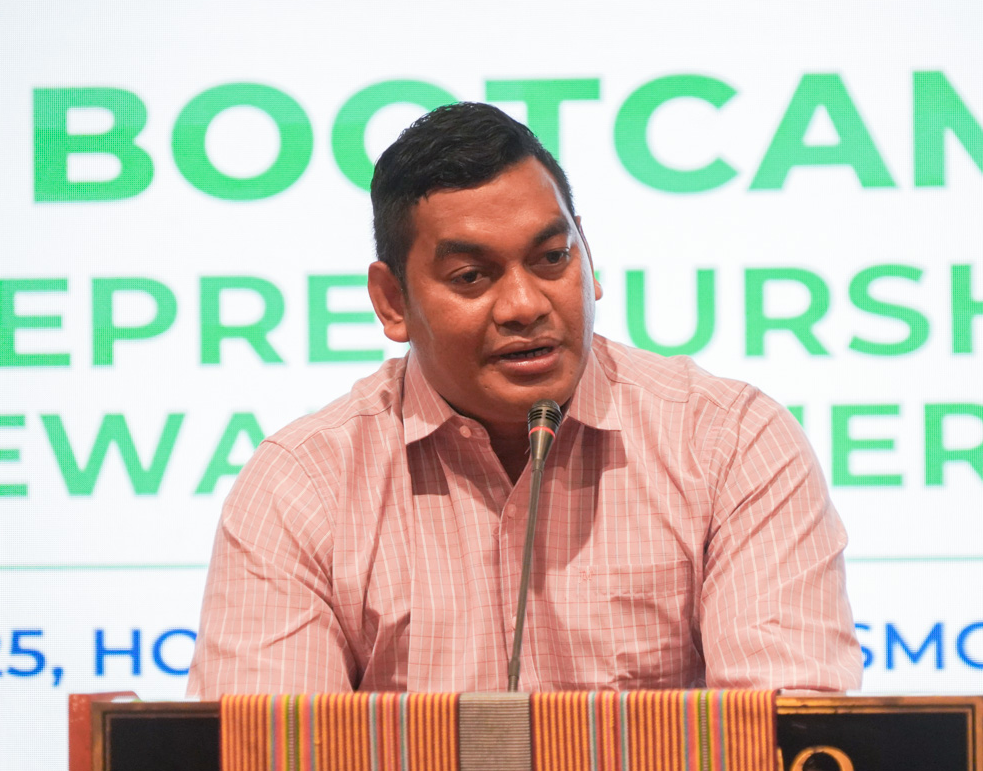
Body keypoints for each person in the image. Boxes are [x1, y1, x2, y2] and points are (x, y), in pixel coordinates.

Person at [187, 102, 861, 697]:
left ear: (588, 258)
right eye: (472, 276)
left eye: (551, 259)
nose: (524, 306)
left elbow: (782, 739)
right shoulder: (304, 485)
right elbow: (268, 757)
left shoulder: (728, 444)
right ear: (393, 302)